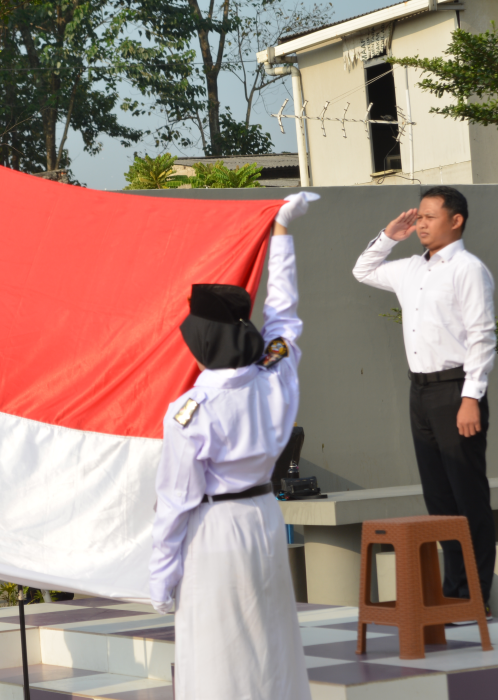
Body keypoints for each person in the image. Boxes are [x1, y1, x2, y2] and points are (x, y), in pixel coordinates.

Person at [149, 193, 318, 700]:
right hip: (266, 517)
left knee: (217, 652)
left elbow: (175, 504)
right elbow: (284, 314)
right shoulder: (275, 375)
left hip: (216, 530)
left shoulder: (190, 413)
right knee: (272, 644)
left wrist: (161, 578)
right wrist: (281, 233)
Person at [353, 186, 496, 613]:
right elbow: (363, 269)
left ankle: (474, 598)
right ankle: (452, 595)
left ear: (457, 220)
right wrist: (388, 234)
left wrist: (471, 397)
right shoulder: (411, 268)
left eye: (430, 217)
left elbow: (482, 337)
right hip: (420, 391)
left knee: (467, 496)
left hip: (456, 390)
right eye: (419, 217)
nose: (421, 224)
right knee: (438, 499)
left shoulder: (469, 269)